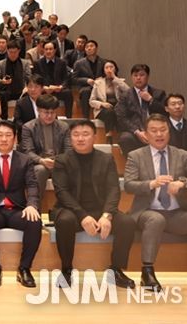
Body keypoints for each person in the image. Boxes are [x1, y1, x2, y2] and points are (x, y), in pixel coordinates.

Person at [52, 120, 136, 288]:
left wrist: (107, 215)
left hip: (100, 210)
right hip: (72, 210)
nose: (80, 138)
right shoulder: (62, 160)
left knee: (127, 222)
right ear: (70, 138)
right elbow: (62, 192)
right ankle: (66, 270)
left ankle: (115, 270)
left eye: (85, 134)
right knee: (64, 221)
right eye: (76, 135)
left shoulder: (106, 159)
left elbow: (113, 189)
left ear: (95, 137)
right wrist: (82, 216)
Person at [123, 114, 187, 292]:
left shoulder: (181, 155)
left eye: (163, 130)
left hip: (175, 213)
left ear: (169, 132)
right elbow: (128, 185)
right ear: (146, 134)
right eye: (154, 130)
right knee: (156, 219)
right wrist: (151, 184)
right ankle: (147, 273)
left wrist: (183, 183)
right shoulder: (136, 156)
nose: (159, 134)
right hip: (146, 211)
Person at [0, 120, 42, 288]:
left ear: (15, 138)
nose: (4, 139)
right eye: (0, 135)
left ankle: (24, 268)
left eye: (8, 135)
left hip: (17, 209)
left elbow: (32, 185)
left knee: (34, 221)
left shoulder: (25, 160)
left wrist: (32, 205)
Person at [21, 94, 72, 200]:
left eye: (52, 112)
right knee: (40, 170)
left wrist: (58, 161)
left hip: (59, 163)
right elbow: (27, 152)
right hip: (39, 164)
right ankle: (35, 206)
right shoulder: (28, 127)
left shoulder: (64, 127)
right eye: (46, 112)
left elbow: (68, 150)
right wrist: (41, 160)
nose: (49, 116)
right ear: (38, 110)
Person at [116, 64, 167, 156]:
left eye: (142, 75)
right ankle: (132, 164)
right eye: (135, 75)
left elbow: (165, 112)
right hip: (134, 132)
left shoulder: (159, 93)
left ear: (148, 76)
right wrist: (137, 131)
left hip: (156, 129)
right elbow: (121, 117)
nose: (138, 78)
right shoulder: (125, 95)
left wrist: (151, 100)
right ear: (131, 77)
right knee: (125, 138)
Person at [33, 41, 73, 118]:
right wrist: (43, 87)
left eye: (50, 49)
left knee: (68, 93)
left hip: (58, 89)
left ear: (55, 50)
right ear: (43, 50)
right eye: (46, 49)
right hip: (44, 91)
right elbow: (35, 79)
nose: (48, 51)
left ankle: (69, 118)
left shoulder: (62, 62)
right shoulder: (38, 63)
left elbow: (66, 78)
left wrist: (61, 87)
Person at [89, 60, 129, 133]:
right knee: (110, 112)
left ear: (115, 69)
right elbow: (91, 101)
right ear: (103, 70)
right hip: (103, 109)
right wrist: (102, 104)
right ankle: (109, 134)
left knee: (119, 112)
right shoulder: (98, 82)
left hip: (117, 107)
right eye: (106, 68)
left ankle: (118, 134)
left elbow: (129, 92)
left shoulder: (120, 81)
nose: (109, 69)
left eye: (111, 67)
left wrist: (114, 77)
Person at [165, 94, 187, 167]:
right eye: (173, 104)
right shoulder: (162, 127)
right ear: (166, 109)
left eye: (180, 103)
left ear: (184, 106)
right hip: (168, 166)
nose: (177, 106)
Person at [72, 39, 105, 118]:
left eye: (91, 46)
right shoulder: (79, 63)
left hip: (100, 88)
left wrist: (101, 79)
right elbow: (73, 79)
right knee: (86, 92)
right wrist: (86, 80)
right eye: (87, 47)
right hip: (86, 87)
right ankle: (85, 118)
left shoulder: (103, 62)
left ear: (96, 48)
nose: (89, 48)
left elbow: (107, 76)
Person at [0, 41, 32, 108]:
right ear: (7, 51)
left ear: (19, 51)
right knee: (1, 95)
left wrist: (27, 87)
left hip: (21, 90)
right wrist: (2, 81)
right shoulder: (0, 64)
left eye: (15, 52)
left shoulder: (25, 63)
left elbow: (29, 78)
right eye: (10, 52)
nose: (13, 54)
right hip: (5, 91)